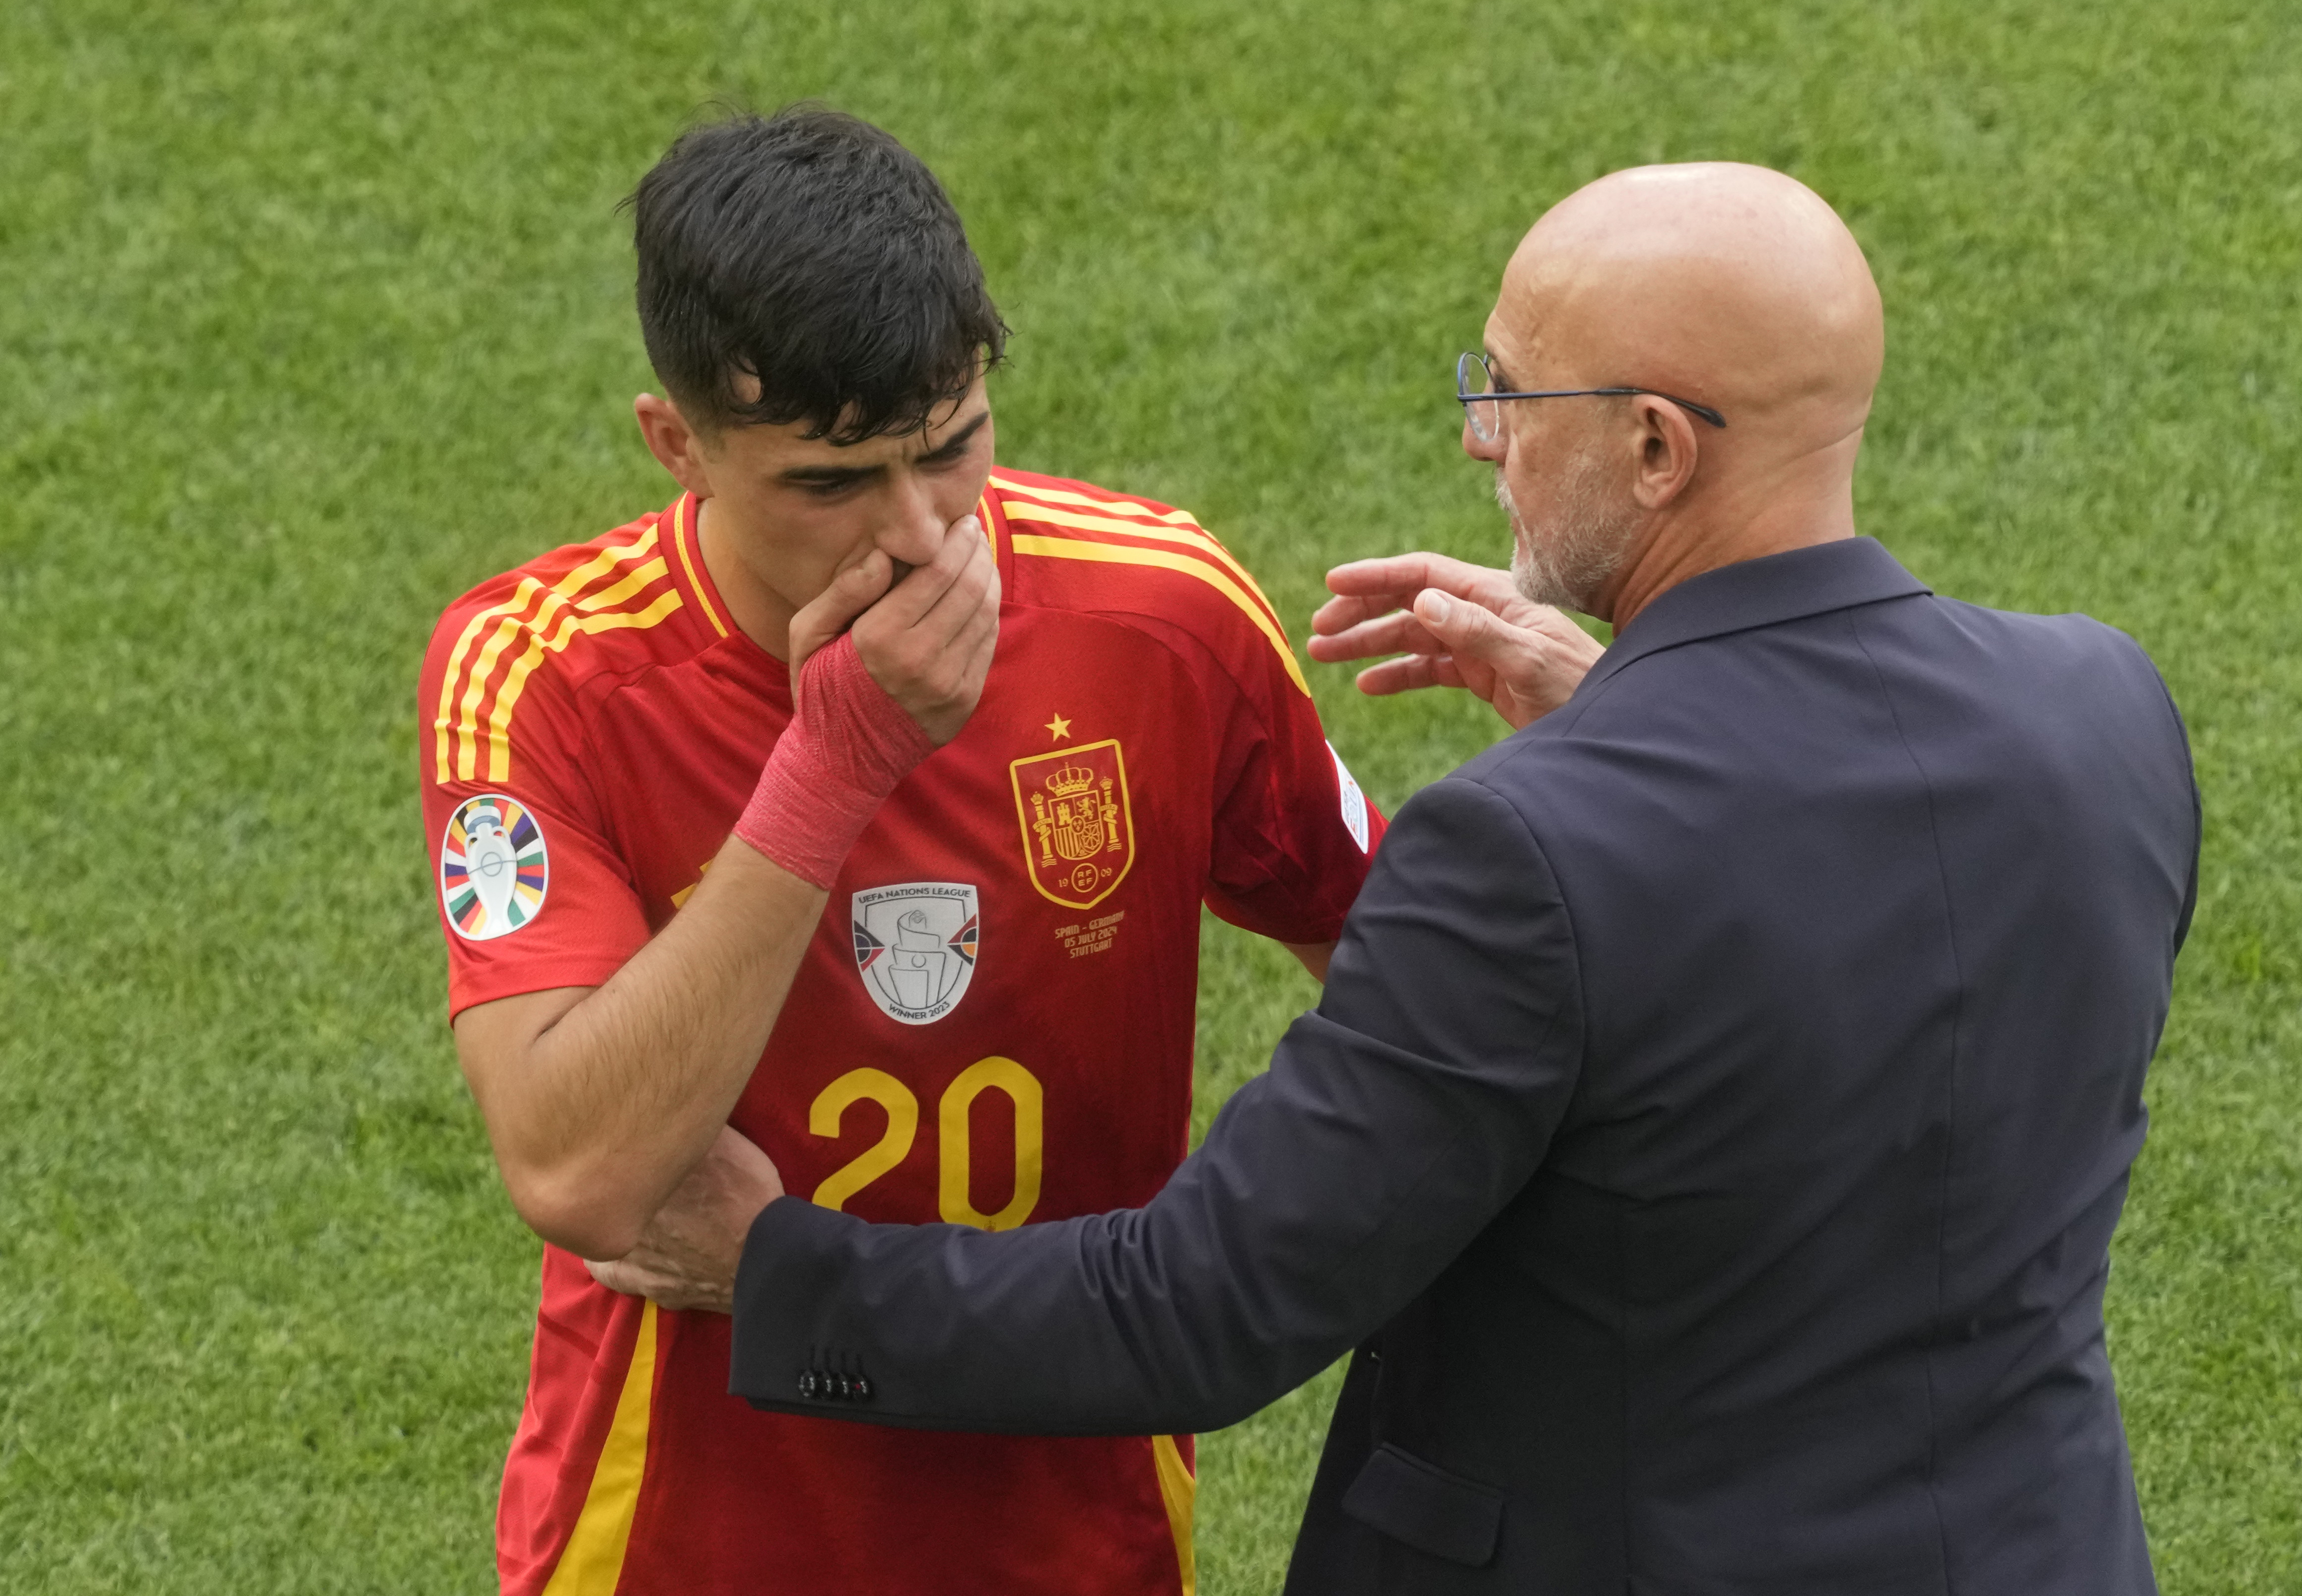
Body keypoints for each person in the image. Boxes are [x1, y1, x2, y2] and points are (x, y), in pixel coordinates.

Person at [684, 163, 2201, 1594]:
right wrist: (1632, 719)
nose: (1484, 437)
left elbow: (1206, 1308)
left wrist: (780, 1272)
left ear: (1657, 449)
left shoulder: (1529, 853)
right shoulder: (2104, 711)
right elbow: (1834, 993)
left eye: (1510, 394)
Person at [417, 107, 1386, 1596]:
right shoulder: (543, 674)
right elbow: (577, 1164)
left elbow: (1416, 997)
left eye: (954, 449)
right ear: (676, 444)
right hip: (675, 1546)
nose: (927, 535)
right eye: (831, 483)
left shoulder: (1164, 618)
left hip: (1081, 1540)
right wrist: (838, 764)